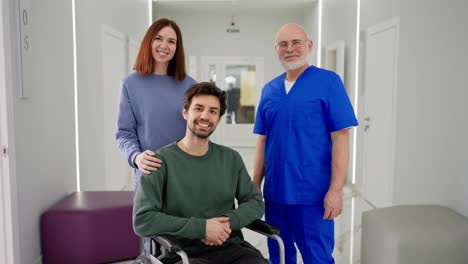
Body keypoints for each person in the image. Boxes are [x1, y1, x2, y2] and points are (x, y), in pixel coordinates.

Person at [253, 23, 358, 264]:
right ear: (276, 49)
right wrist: (255, 184)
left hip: (313, 195)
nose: (290, 49)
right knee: (279, 255)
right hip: (276, 193)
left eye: (296, 42)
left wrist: (335, 190)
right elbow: (263, 140)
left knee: (317, 257)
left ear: (309, 45)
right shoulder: (269, 90)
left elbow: (341, 137)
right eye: (283, 44)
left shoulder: (328, 82)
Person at [133, 82, 268, 264]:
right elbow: (143, 219)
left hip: (229, 246)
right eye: (199, 108)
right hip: (182, 252)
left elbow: (255, 202)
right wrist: (202, 228)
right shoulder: (158, 161)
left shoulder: (231, 159)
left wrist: (226, 223)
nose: (205, 116)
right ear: (185, 112)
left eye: (213, 111)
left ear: (218, 119)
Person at [116, 18, 196, 185]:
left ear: (177, 48)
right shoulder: (130, 84)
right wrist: (136, 157)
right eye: (158, 38)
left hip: (185, 173)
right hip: (149, 174)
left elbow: (197, 132)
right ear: (148, 41)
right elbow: (125, 134)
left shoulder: (190, 86)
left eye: (171, 41)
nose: (164, 45)